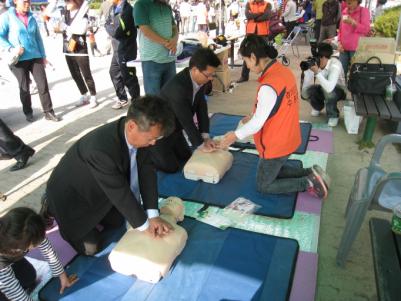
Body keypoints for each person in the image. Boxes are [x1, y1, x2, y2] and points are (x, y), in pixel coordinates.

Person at [45, 96, 176, 256]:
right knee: (90, 249)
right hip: (73, 198)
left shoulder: (140, 135)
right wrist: (145, 226)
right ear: (132, 126)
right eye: (151, 138)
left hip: (103, 187)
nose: (154, 143)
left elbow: (147, 173)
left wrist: (153, 215)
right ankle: (51, 208)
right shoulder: (100, 150)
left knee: (119, 221)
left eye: (157, 138)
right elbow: (119, 192)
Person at [219, 35, 329, 199]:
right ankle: (311, 172)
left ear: (254, 57)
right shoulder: (283, 71)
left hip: (276, 144)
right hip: (289, 136)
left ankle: (308, 182)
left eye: (246, 61)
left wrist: (234, 136)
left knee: (264, 184)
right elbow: (278, 105)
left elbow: (258, 122)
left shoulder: (268, 85)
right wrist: (255, 115)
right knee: (274, 169)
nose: (247, 66)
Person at [151, 48, 221, 173]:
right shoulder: (177, 88)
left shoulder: (200, 79)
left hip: (175, 129)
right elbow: (187, 120)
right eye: (208, 75)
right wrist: (200, 145)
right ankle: (147, 152)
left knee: (186, 157)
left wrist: (205, 137)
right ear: (195, 70)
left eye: (212, 74)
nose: (211, 78)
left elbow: (201, 108)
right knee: (171, 167)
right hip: (159, 132)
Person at [0, 0, 60, 122]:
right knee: (25, 87)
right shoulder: (7, 17)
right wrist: (11, 48)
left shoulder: (32, 16)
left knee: (43, 84)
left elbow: (38, 38)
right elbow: (0, 35)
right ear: (16, 2)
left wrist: (43, 56)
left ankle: (49, 112)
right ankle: (28, 111)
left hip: (35, 56)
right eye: (25, 1)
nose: (28, 4)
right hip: (18, 59)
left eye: (29, 1)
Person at [0, 207, 77, 301]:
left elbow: (48, 251)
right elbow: (14, 291)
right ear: (17, 248)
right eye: (34, 245)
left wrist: (62, 276)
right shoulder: (2, 263)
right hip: (3, 265)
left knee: (29, 277)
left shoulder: (28, 231)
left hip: (11, 255)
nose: (38, 245)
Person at [57, 0, 98, 108]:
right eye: (66, 1)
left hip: (80, 49)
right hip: (68, 48)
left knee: (86, 74)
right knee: (75, 75)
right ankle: (84, 94)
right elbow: (57, 27)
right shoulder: (64, 14)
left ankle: (93, 96)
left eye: (69, 1)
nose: (67, 3)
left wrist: (66, 27)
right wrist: (60, 27)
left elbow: (81, 30)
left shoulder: (82, 15)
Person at [133, 0, 178, 95]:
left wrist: (174, 40)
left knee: (170, 96)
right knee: (153, 101)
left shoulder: (167, 7)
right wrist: (166, 43)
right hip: (152, 60)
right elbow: (145, 30)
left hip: (169, 59)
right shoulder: (141, 4)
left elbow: (174, 27)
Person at [105, 0, 140, 110]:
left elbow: (117, 32)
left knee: (128, 76)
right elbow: (107, 23)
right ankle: (122, 98)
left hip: (127, 49)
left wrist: (109, 27)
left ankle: (136, 102)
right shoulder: (112, 8)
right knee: (114, 72)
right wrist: (109, 26)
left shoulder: (128, 10)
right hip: (117, 48)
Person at [302, 43, 346, 127]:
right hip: (324, 87)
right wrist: (308, 72)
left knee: (328, 92)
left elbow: (329, 88)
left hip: (339, 90)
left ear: (325, 57)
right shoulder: (319, 63)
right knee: (305, 91)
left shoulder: (335, 65)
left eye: (319, 58)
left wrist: (317, 72)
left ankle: (333, 115)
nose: (317, 60)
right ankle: (318, 106)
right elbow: (305, 86)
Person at [237, 0, 271, 83]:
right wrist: (260, 14)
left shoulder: (268, 4)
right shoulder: (249, 4)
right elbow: (248, 15)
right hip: (250, 32)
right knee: (246, 53)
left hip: (263, 33)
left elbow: (266, 16)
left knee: (263, 55)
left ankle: (265, 76)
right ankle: (244, 76)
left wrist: (254, 16)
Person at [338, 0, 370, 77]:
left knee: (356, 74)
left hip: (357, 49)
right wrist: (339, 43)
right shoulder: (344, 11)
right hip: (343, 48)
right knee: (341, 73)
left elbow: (366, 30)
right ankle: (342, 88)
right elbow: (340, 30)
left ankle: (354, 88)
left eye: (351, 1)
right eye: (346, 1)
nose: (348, 2)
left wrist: (353, 22)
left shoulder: (363, 11)